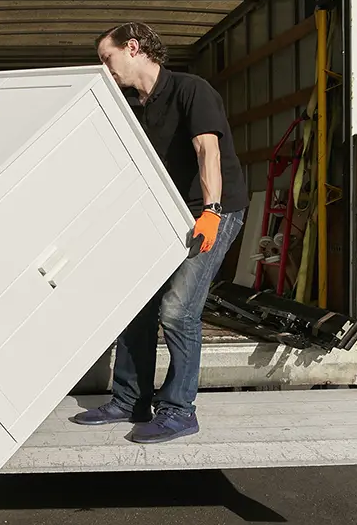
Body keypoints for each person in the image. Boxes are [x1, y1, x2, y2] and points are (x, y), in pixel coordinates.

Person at [71, 22, 248, 443]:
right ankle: (130, 400)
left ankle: (180, 410)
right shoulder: (134, 104)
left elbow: (208, 149)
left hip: (213, 210)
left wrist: (212, 211)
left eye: (106, 58)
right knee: (136, 304)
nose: (104, 68)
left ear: (132, 48)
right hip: (165, 212)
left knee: (177, 309)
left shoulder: (192, 90)